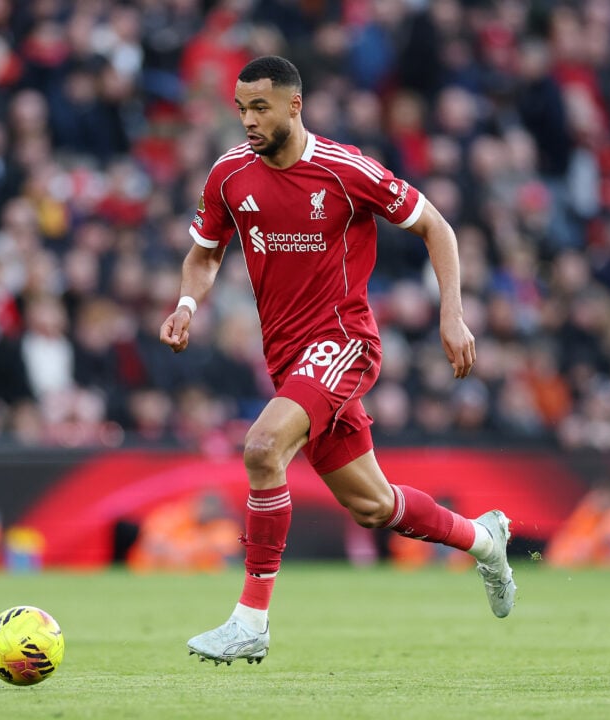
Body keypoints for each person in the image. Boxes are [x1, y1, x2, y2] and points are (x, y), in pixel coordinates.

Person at [159, 56, 515, 666]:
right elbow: (205, 252)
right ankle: (487, 541)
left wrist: (451, 314)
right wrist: (188, 303)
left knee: (262, 447)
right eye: (241, 107)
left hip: (344, 341)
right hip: (289, 361)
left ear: (294, 106)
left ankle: (250, 621)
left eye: (260, 108)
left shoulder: (344, 169)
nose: (247, 119)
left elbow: (438, 228)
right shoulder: (228, 176)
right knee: (374, 507)